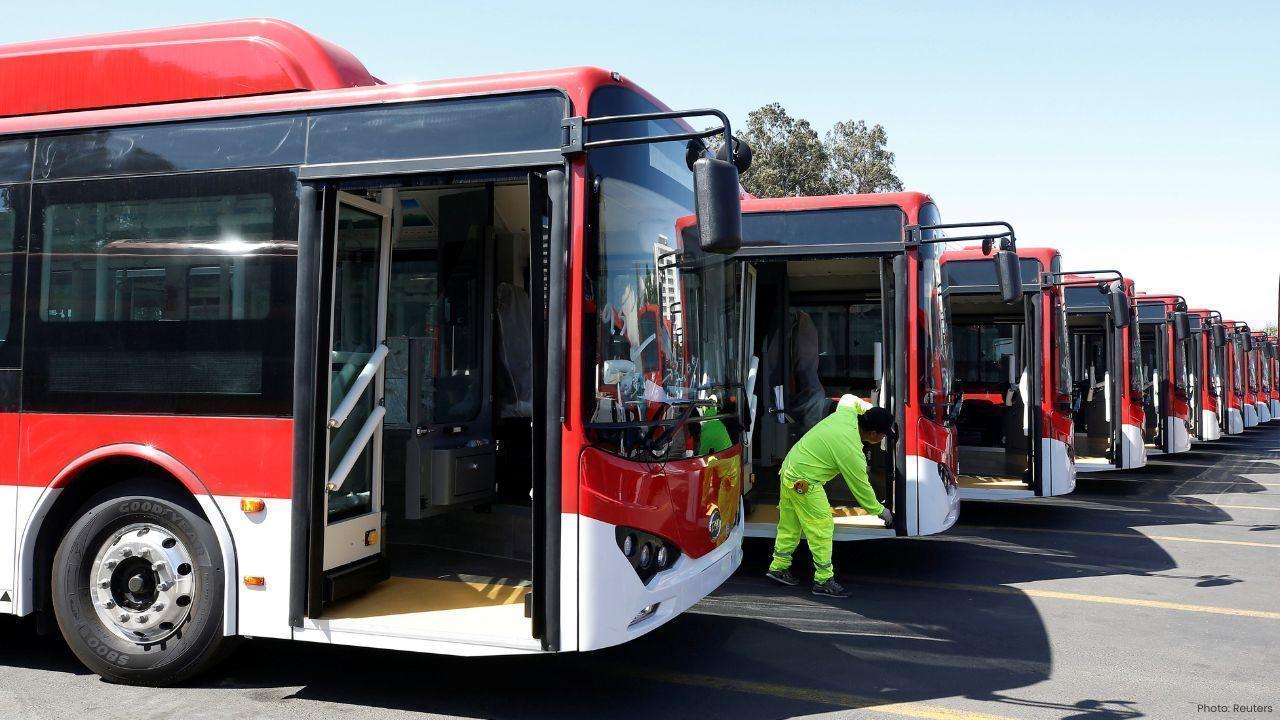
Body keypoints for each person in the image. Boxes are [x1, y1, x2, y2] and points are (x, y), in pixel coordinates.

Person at [766, 395, 896, 597]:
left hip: (790, 469)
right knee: (822, 528)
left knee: (790, 525)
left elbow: (847, 398)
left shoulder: (847, 414)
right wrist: (880, 511)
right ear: (872, 433)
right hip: (805, 483)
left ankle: (779, 567)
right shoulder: (850, 450)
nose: (883, 438)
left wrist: (870, 408)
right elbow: (861, 488)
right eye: (883, 435)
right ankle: (823, 580)